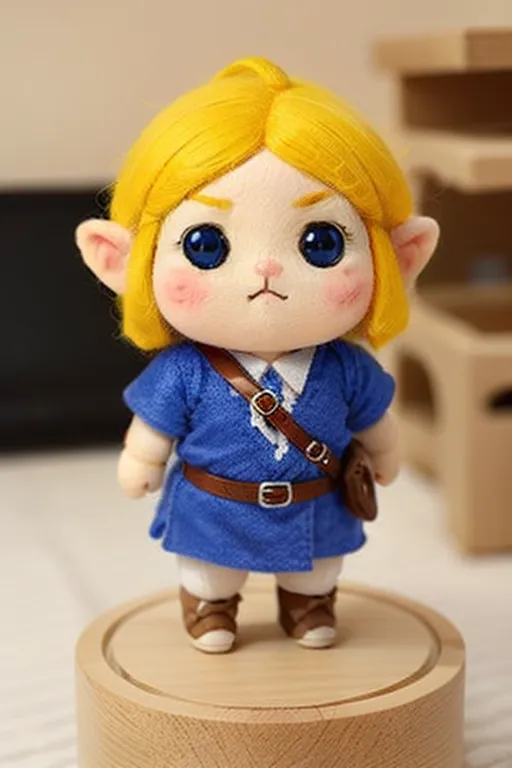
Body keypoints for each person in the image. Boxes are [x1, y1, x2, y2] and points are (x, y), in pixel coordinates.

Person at [76, 57, 439, 654]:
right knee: (210, 571)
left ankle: (308, 605)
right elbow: (153, 428)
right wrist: (142, 458)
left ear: (399, 259)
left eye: (320, 243)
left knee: (315, 570)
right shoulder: (187, 372)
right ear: (121, 259)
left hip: (315, 505)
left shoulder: (344, 370)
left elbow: (374, 420)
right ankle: (210, 607)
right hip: (215, 508)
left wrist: (386, 452)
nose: (265, 269)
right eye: (206, 244)